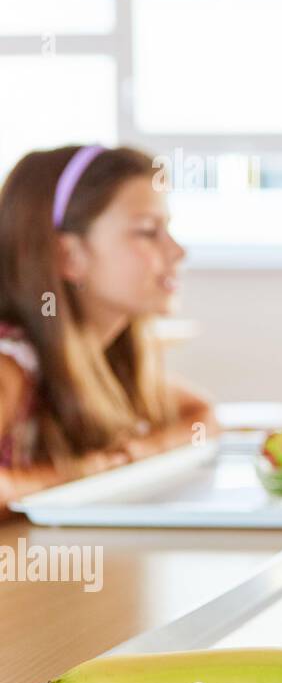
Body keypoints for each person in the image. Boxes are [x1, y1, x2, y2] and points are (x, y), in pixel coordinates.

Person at [0, 145, 215, 513]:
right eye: (148, 232)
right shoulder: (11, 364)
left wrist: (137, 452)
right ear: (69, 256)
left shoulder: (107, 353)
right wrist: (85, 471)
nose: (178, 251)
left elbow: (201, 413)